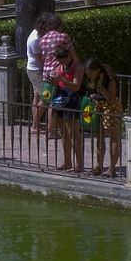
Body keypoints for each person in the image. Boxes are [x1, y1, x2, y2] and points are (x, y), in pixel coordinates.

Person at [82, 59, 123, 176]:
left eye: (90, 73)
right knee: (99, 138)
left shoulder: (109, 79)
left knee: (114, 138)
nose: (88, 75)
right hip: (98, 106)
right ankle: (98, 166)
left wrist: (100, 86)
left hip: (111, 108)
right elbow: (90, 88)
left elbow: (110, 98)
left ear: (97, 70)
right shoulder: (92, 78)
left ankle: (112, 168)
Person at [49, 45, 86, 173]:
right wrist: (52, 80)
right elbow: (55, 85)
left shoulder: (78, 67)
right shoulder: (59, 67)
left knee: (73, 133)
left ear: (69, 56)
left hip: (71, 99)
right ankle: (67, 161)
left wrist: (62, 79)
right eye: (60, 60)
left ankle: (79, 163)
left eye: (64, 59)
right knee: (63, 133)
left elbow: (76, 86)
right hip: (59, 99)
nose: (62, 62)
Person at [26, 14, 53, 134]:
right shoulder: (36, 39)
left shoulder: (35, 34)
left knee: (37, 96)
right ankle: (35, 125)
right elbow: (40, 58)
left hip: (33, 69)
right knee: (45, 97)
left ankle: (35, 125)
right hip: (36, 70)